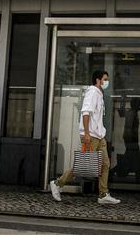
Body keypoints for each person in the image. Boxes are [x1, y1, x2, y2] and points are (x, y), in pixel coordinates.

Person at [49, 70, 120, 205]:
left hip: (99, 136)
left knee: (105, 164)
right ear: (98, 80)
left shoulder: (99, 94)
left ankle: (103, 194)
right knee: (82, 166)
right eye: (105, 79)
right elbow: (85, 113)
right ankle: (57, 183)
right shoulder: (92, 92)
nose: (107, 82)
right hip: (91, 136)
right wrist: (86, 133)